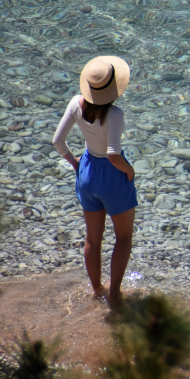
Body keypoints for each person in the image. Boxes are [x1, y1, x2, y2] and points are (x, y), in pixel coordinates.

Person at [52, 56, 137, 308]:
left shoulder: (75, 104)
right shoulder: (115, 114)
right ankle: (114, 295)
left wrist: (74, 163)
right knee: (123, 238)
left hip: (87, 173)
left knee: (92, 239)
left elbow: (57, 141)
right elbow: (113, 155)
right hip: (112, 177)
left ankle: (97, 290)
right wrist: (130, 171)